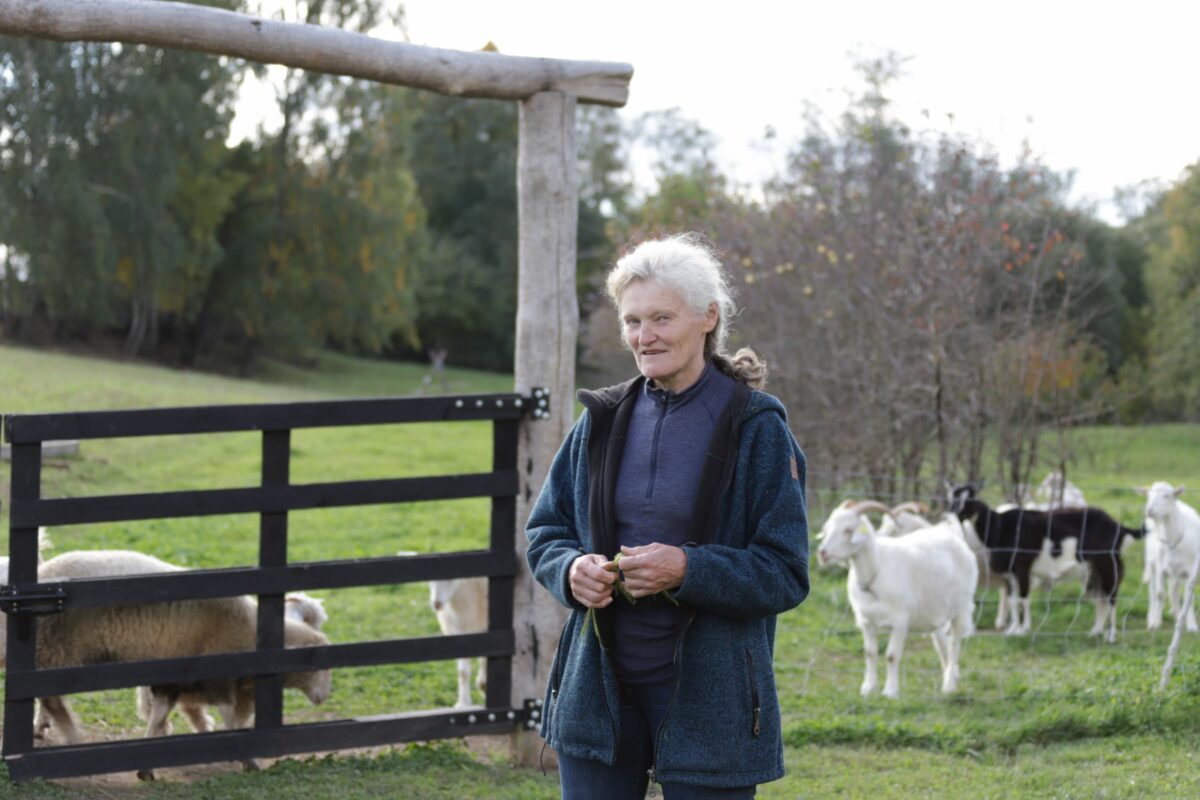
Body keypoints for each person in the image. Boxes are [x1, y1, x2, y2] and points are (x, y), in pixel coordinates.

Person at [525, 233, 810, 798]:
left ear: (708, 317)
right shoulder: (601, 419)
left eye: (661, 318)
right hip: (597, 695)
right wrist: (570, 569)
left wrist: (687, 569)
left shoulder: (757, 429)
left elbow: (785, 572)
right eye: (632, 321)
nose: (644, 336)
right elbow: (546, 531)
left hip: (714, 705)